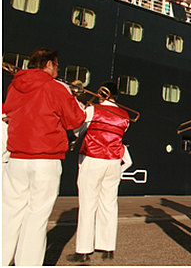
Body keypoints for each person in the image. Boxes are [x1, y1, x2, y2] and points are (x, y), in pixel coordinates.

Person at [2, 48, 86, 266]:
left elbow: (8, 112)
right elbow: (75, 120)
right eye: (57, 66)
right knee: (36, 216)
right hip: (45, 158)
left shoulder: (14, 85)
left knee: (9, 213)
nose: (57, 71)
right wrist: (72, 97)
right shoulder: (55, 87)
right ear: (49, 64)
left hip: (17, 158)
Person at [70, 82, 132, 262]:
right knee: (109, 204)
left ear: (101, 94)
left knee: (88, 204)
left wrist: (84, 109)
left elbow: (76, 131)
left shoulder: (93, 110)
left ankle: (83, 250)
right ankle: (107, 247)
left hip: (93, 158)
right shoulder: (126, 116)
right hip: (113, 162)